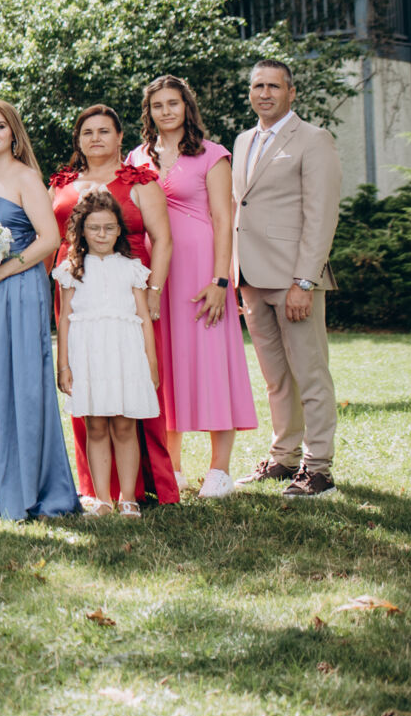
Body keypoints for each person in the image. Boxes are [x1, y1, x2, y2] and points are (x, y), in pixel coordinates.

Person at [129, 75, 256, 500]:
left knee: (211, 360)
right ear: (149, 112)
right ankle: (173, 467)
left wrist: (221, 280)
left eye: (173, 103)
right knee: (162, 363)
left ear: (187, 107)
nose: (166, 111)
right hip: (154, 273)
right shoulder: (136, 157)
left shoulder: (211, 155)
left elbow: (224, 220)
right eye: (158, 105)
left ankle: (220, 469)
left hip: (201, 270)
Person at [48, 104, 178, 508]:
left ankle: (143, 487)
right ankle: (96, 490)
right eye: (87, 132)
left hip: (128, 294)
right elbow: (50, 239)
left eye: (104, 131)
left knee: (134, 381)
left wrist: (154, 291)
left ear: (121, 137)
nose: (96, 138)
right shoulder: (63, 184)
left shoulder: (140, 181)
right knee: (86, 385)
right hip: (76, 290)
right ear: (78, 140)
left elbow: (163, 239)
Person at [0, 99, 79, 520]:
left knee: (20, 386)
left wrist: (1, 271)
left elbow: (49, 239)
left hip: (19, 289)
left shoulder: (26, 177)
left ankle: (26, 485)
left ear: (13, 133)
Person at [232, 60, 342, 497]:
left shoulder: (314, 139)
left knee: (310, 374)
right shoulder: (243, 140)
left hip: (293, 279)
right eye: (258, 86)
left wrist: (305, 282)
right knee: (277, 378)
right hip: (251, 279)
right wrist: (234, 275)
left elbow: (321, 216)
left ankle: (319, 469)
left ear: (291, 92)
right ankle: (284, 458)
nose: (264, 93)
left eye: (273, 86)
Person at [53, 190, 161, 518]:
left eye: (109, 228)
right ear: (82, 231)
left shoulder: (132, 268)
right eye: (94, 228)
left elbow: (144, 318)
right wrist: (63, 365)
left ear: (119, 231)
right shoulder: (71, 270)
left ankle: (128, 497)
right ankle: (102, 499)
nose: (102, 234)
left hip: (125, 355)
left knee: (125, 427)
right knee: (96, 426)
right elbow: (64, 318)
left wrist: (151, 362)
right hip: (87, 356)